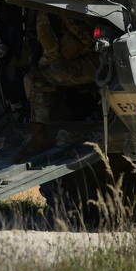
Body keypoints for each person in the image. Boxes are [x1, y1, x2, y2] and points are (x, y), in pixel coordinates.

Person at [16, 10, 98, 161]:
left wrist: (41, 67)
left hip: (96, 63)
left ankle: (39, 139)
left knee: (35, 80)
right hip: (99, 59)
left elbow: (53, 52)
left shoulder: (48, 11)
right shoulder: (55, 7)